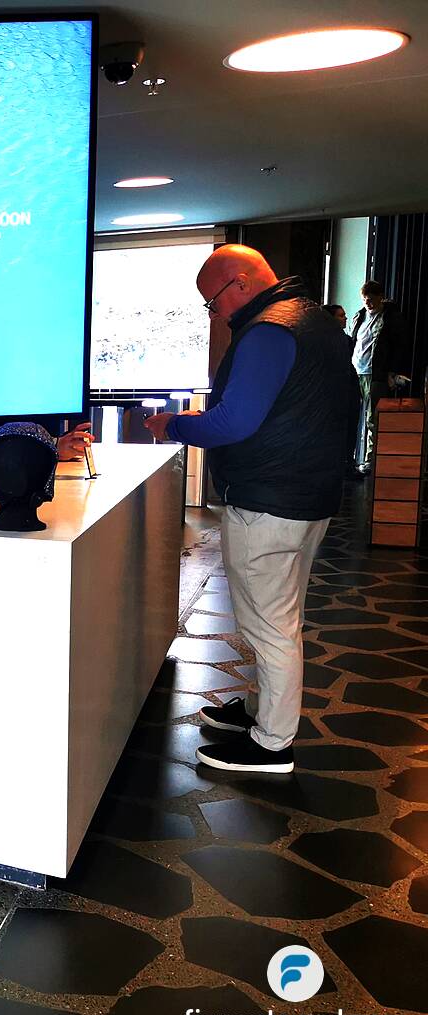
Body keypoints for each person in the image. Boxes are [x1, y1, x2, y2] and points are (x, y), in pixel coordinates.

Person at [145, 245, 357, 774]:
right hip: (308, 497)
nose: (215, 314)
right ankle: (262, 712)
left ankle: (271, 744)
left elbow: (233, 423)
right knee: (281, 617)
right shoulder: (315, 322)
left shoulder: (268, 331)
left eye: (212, 302)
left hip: (269, 502)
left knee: (269, 625)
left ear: (239, 283)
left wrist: (173, 426)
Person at [347, 280, 412, 473]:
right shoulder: (360, 315)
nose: (367, 303)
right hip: (356, 369)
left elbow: (399, 347)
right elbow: (354, 341)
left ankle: (371, 459)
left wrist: (392, 372)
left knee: (373, 417)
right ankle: (351, 458)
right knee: (352, 414)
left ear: (380, 297)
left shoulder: (391, 318)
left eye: (371, 299)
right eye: (365, 299)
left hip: (376, 372)